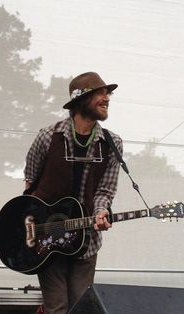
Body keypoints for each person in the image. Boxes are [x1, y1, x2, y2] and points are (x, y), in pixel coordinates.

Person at [24, 71, 123, 314]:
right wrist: (32, 224)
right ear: (81, 100)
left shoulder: (113, 144)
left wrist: (100, 212)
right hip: (46, 240)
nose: (107, 97)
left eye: (107, 92)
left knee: (82, 309)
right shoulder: (48, 136)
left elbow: (105, 190)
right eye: (100, 93)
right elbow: (30, 182)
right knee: (56, 308)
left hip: (85, 241)